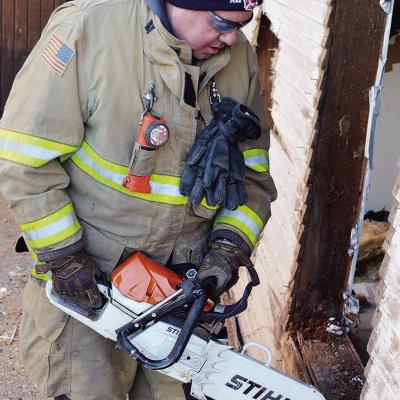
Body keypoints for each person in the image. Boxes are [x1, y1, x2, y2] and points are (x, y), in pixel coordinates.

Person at [0, 0, 277, 399]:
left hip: (182, 293)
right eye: (220, 22)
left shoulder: (238, 57)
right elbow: (24, 161)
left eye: (242, 24)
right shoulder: (88, 29)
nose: (232, 38)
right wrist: (63, 257)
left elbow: (252, 176)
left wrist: (229, 247)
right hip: (89, 289)